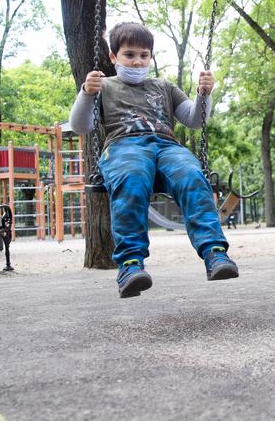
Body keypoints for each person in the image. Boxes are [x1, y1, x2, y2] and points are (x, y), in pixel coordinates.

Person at [69, 22, 239, 298]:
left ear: (150, 57)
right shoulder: (104, 86)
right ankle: (130, 264)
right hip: (125, 146)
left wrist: (204, 94)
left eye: (143, 55)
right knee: (133, 178)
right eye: (129, 55)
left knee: (191, 175)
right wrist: (87, 93)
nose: (137, 62)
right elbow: (80, 126)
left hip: (165, 147)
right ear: (114, 58)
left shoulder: (164, 87)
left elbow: (195, 120)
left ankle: (215, 253)